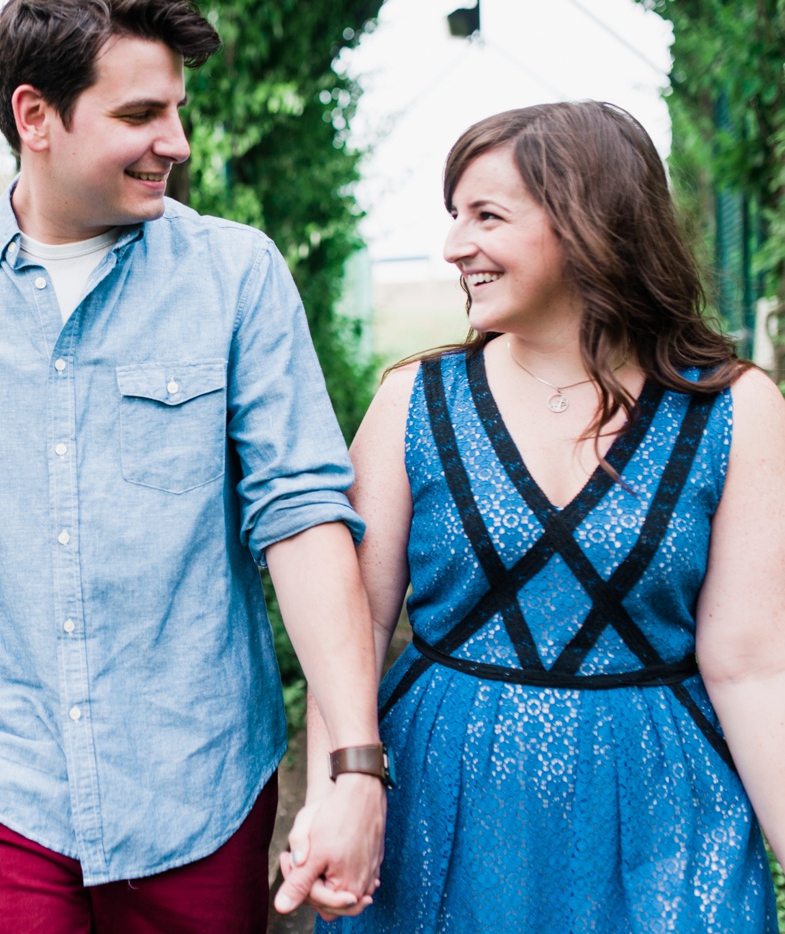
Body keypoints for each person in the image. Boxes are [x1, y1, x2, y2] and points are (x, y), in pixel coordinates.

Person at [0, 0, 387, 930]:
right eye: (141, 116)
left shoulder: (236, 277)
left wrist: (352, 765)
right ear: (36, 117)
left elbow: (302, 516)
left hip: (199, 792)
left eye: (177, 111)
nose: (175, 143)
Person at [302, 101, 785, 932]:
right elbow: (349, 633)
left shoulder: (736, 410)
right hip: (441, 803)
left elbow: (751, 664)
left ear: (591, 224)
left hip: (664, 814)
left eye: (487, 216)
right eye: (454, 216)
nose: (455, 246)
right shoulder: (412, 402)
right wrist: (334, 803)